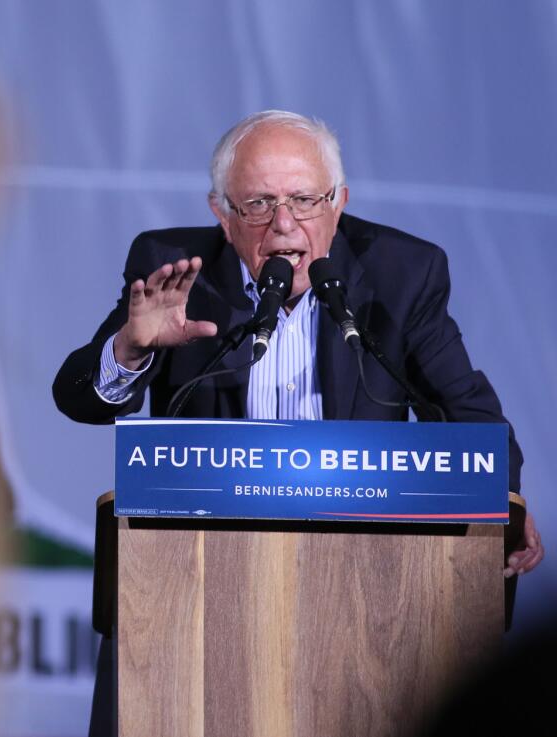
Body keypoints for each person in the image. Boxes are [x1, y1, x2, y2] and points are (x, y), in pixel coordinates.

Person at [52, 110, 543, 737]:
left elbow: (470, 415)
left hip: (361, 597)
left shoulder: (401, 272)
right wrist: (132, 348)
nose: (284, 224)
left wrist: (503, 498)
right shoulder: (173, 268)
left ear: (339, 203)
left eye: (305, 200)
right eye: (257, 203)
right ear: (221, 214)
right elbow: (81, 399)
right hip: (195, 593)